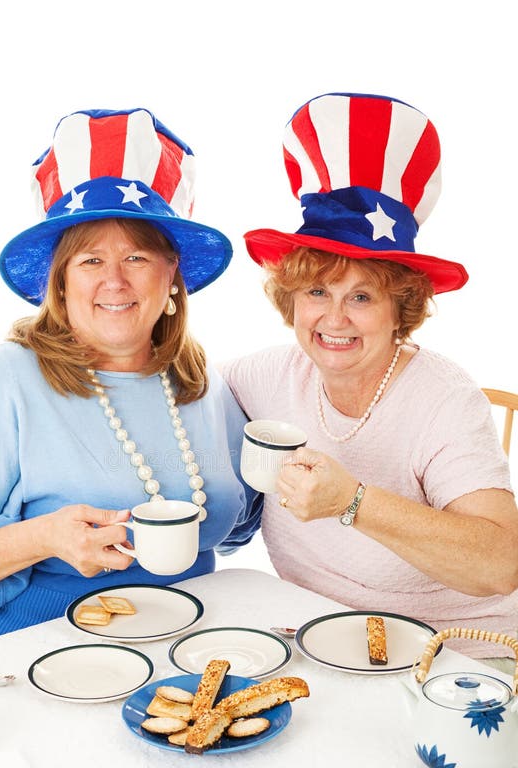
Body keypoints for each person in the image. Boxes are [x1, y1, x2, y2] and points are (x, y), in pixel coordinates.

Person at [0, 107, 261, 659]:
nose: (114, 280)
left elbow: (243, 519)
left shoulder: (200, 382)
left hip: (167, 652)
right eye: (90, 260)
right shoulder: (0, 379)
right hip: (2, 656)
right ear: (59, 278)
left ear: (170, 271)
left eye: (136, 256)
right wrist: (42, 538)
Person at [222, 92, 518, 660]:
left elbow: (502, 565)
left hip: (458, 652)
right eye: (316, 292)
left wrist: (353, 501)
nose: (333, 318)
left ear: (399, 309)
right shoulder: (265, 375)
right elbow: (175, 389)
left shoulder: (443, 399)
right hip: (322, 641)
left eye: (361, 295)